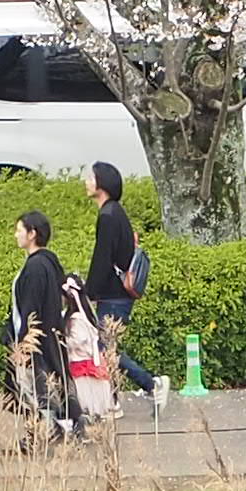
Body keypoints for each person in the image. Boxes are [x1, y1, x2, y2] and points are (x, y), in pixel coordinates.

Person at [80, 163, 149, 419]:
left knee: (105, 349)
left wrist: (88, 292)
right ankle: (112, 401)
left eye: (91, 178)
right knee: (105, 348)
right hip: (116, 294)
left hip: (114, 295)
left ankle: (150, 384)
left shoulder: (108, 216)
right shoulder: (113, 212)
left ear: (103, 184)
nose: (87, 182)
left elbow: (103, 258)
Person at [10, 210, 80, 442]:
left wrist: (22, 343)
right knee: (53, 380)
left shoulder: (35, 267)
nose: (16, 234)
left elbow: (30, 308)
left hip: (37, 338)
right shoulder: (49, 262)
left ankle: (38, 434)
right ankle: (65, 425)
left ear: (32, 234)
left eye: (20, 230)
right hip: (52, 334)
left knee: (34, 385)